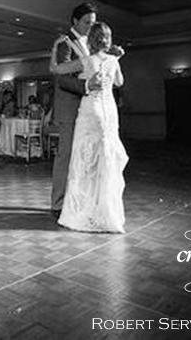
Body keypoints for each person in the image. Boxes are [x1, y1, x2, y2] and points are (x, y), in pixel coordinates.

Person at [51, 22, 128, 232]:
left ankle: (81, 209)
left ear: (91, 40)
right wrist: (115, 60)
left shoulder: (87, 61)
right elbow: (119, 82)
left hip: (91, 111)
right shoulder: (113, 60)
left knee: (82, 159)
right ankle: (104, 210)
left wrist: (54, 49)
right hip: (109, 113)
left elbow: (56, 70)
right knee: (105, 160)